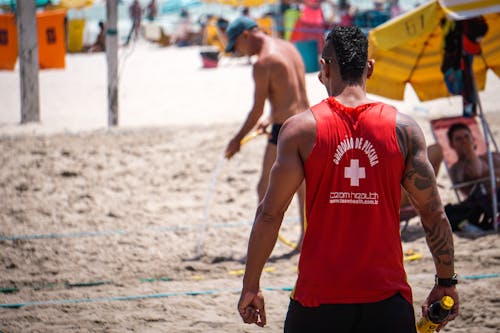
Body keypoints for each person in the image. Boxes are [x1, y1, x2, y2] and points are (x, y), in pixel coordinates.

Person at [237, 26, 459, 332]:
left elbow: (270, 214)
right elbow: (433, 214)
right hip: (387, 299)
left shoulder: (300, 130)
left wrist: (251, 286)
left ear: (323, 69)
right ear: (370, 68)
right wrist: (446, 282)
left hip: (318, 299)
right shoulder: (404, 130)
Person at [224, 16, 309, 252]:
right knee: (304, 189)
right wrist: (270, 119)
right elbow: (292, 95)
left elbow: (256, 109)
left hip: (286, 131)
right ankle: (305, 240)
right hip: (309, 123)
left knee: (264, 188)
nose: (239, 52)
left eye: (236, 46)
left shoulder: (263, 62)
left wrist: (237, 139)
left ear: (245, 36)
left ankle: (261, 244)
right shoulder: (287, 47)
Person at [448, 122, 500, 197]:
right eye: (458, 139)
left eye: (467, 137)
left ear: (473, 139)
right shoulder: (456, 168)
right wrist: (469, 148)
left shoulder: (491, 155)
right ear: (451, 144)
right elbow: (477, 172)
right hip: (490, 201)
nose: (464, 141)